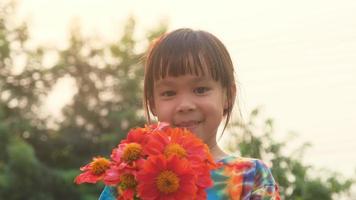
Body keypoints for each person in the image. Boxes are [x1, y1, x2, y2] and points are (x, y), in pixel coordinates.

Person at [99, 28, 280, 199]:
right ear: (152, 103)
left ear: (228, 96)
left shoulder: (251, 176)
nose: (185, 105)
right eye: (169, 93)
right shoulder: (129, 177)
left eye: (200, 90)